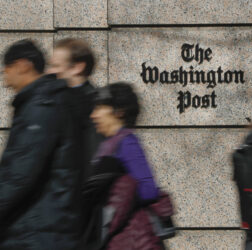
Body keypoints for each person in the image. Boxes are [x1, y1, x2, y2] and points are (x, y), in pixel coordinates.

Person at [0, 39, 82, 249]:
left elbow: (20, 174)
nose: (4, 78)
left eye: (6, 69)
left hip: (37, 234)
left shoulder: (41, 106)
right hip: (37, 230)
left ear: (23, 65)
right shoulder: (39, 103)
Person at [88, 82, 169, 249]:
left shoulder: (127, 142)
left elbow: (148, 188)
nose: (93, 115)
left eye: (99, 108)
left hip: (131, 239)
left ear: (119, 112)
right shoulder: (109, 144)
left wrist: (116, 209)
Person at [47, 38, 101, 181]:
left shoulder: (94, 105)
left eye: (55, 66)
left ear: (77, 67)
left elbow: (92, 159)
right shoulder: (58, 100)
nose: (49, 71)